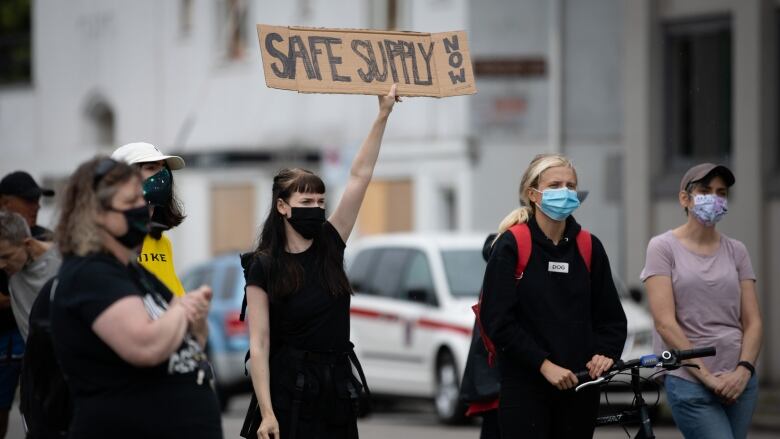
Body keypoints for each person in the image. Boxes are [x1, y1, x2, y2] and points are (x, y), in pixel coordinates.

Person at [243, 85, 398, 439]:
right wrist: (267, 414)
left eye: (320, 202)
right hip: (290, 394)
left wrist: (383, 114)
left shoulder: (331, 242)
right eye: (306, 202)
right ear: (282, 207)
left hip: (335, 390)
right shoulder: (264, 266)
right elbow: (260, 344)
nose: (316, 209)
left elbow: (360, 177)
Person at [49, 156, 222, 439]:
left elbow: (192, 343)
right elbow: (147, 346)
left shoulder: (134, 271)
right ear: (95, 213)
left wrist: (194, 317)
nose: (142, 209)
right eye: (130, 203)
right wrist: (182, 308)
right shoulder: (89, 274)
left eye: (141, 201)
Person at [479, 153, 627, 439]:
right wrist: (544, 365)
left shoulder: (588, 246)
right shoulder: (511, 245)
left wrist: (605, 353)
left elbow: (611, 319)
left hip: (581, 388)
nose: (566, 192)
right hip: (526, 389)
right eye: (556, 185)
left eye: (571, 186)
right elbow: (498, 321)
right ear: (533, 194)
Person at [641, 163, 762, 439]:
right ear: (685, 198)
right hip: (689, 380)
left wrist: (743, 371)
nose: (715, 197)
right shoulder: (662, 247)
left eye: (721, 192)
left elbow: (753, 322)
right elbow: (664, 323)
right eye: (705, 190)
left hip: (740, 380)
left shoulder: (737, 250)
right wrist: (707, 377)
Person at [0, 171, 55, 439]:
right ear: (4, 203)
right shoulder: (8, 254)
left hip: (43, 347)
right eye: (28, 200)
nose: (37, 206)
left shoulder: (51, 244)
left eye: (38, 199)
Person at [112, 142, 187, 296]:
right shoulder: (108, 243)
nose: (163, 175)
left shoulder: (162, 242)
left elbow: (174, 299)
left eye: (163, 168)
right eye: (151, 168)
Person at [0, 210, 61, 340]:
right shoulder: (13, 268)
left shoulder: (63, 263)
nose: (1, 265)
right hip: (33, 353)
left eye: (6, 257)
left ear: (28, 243)